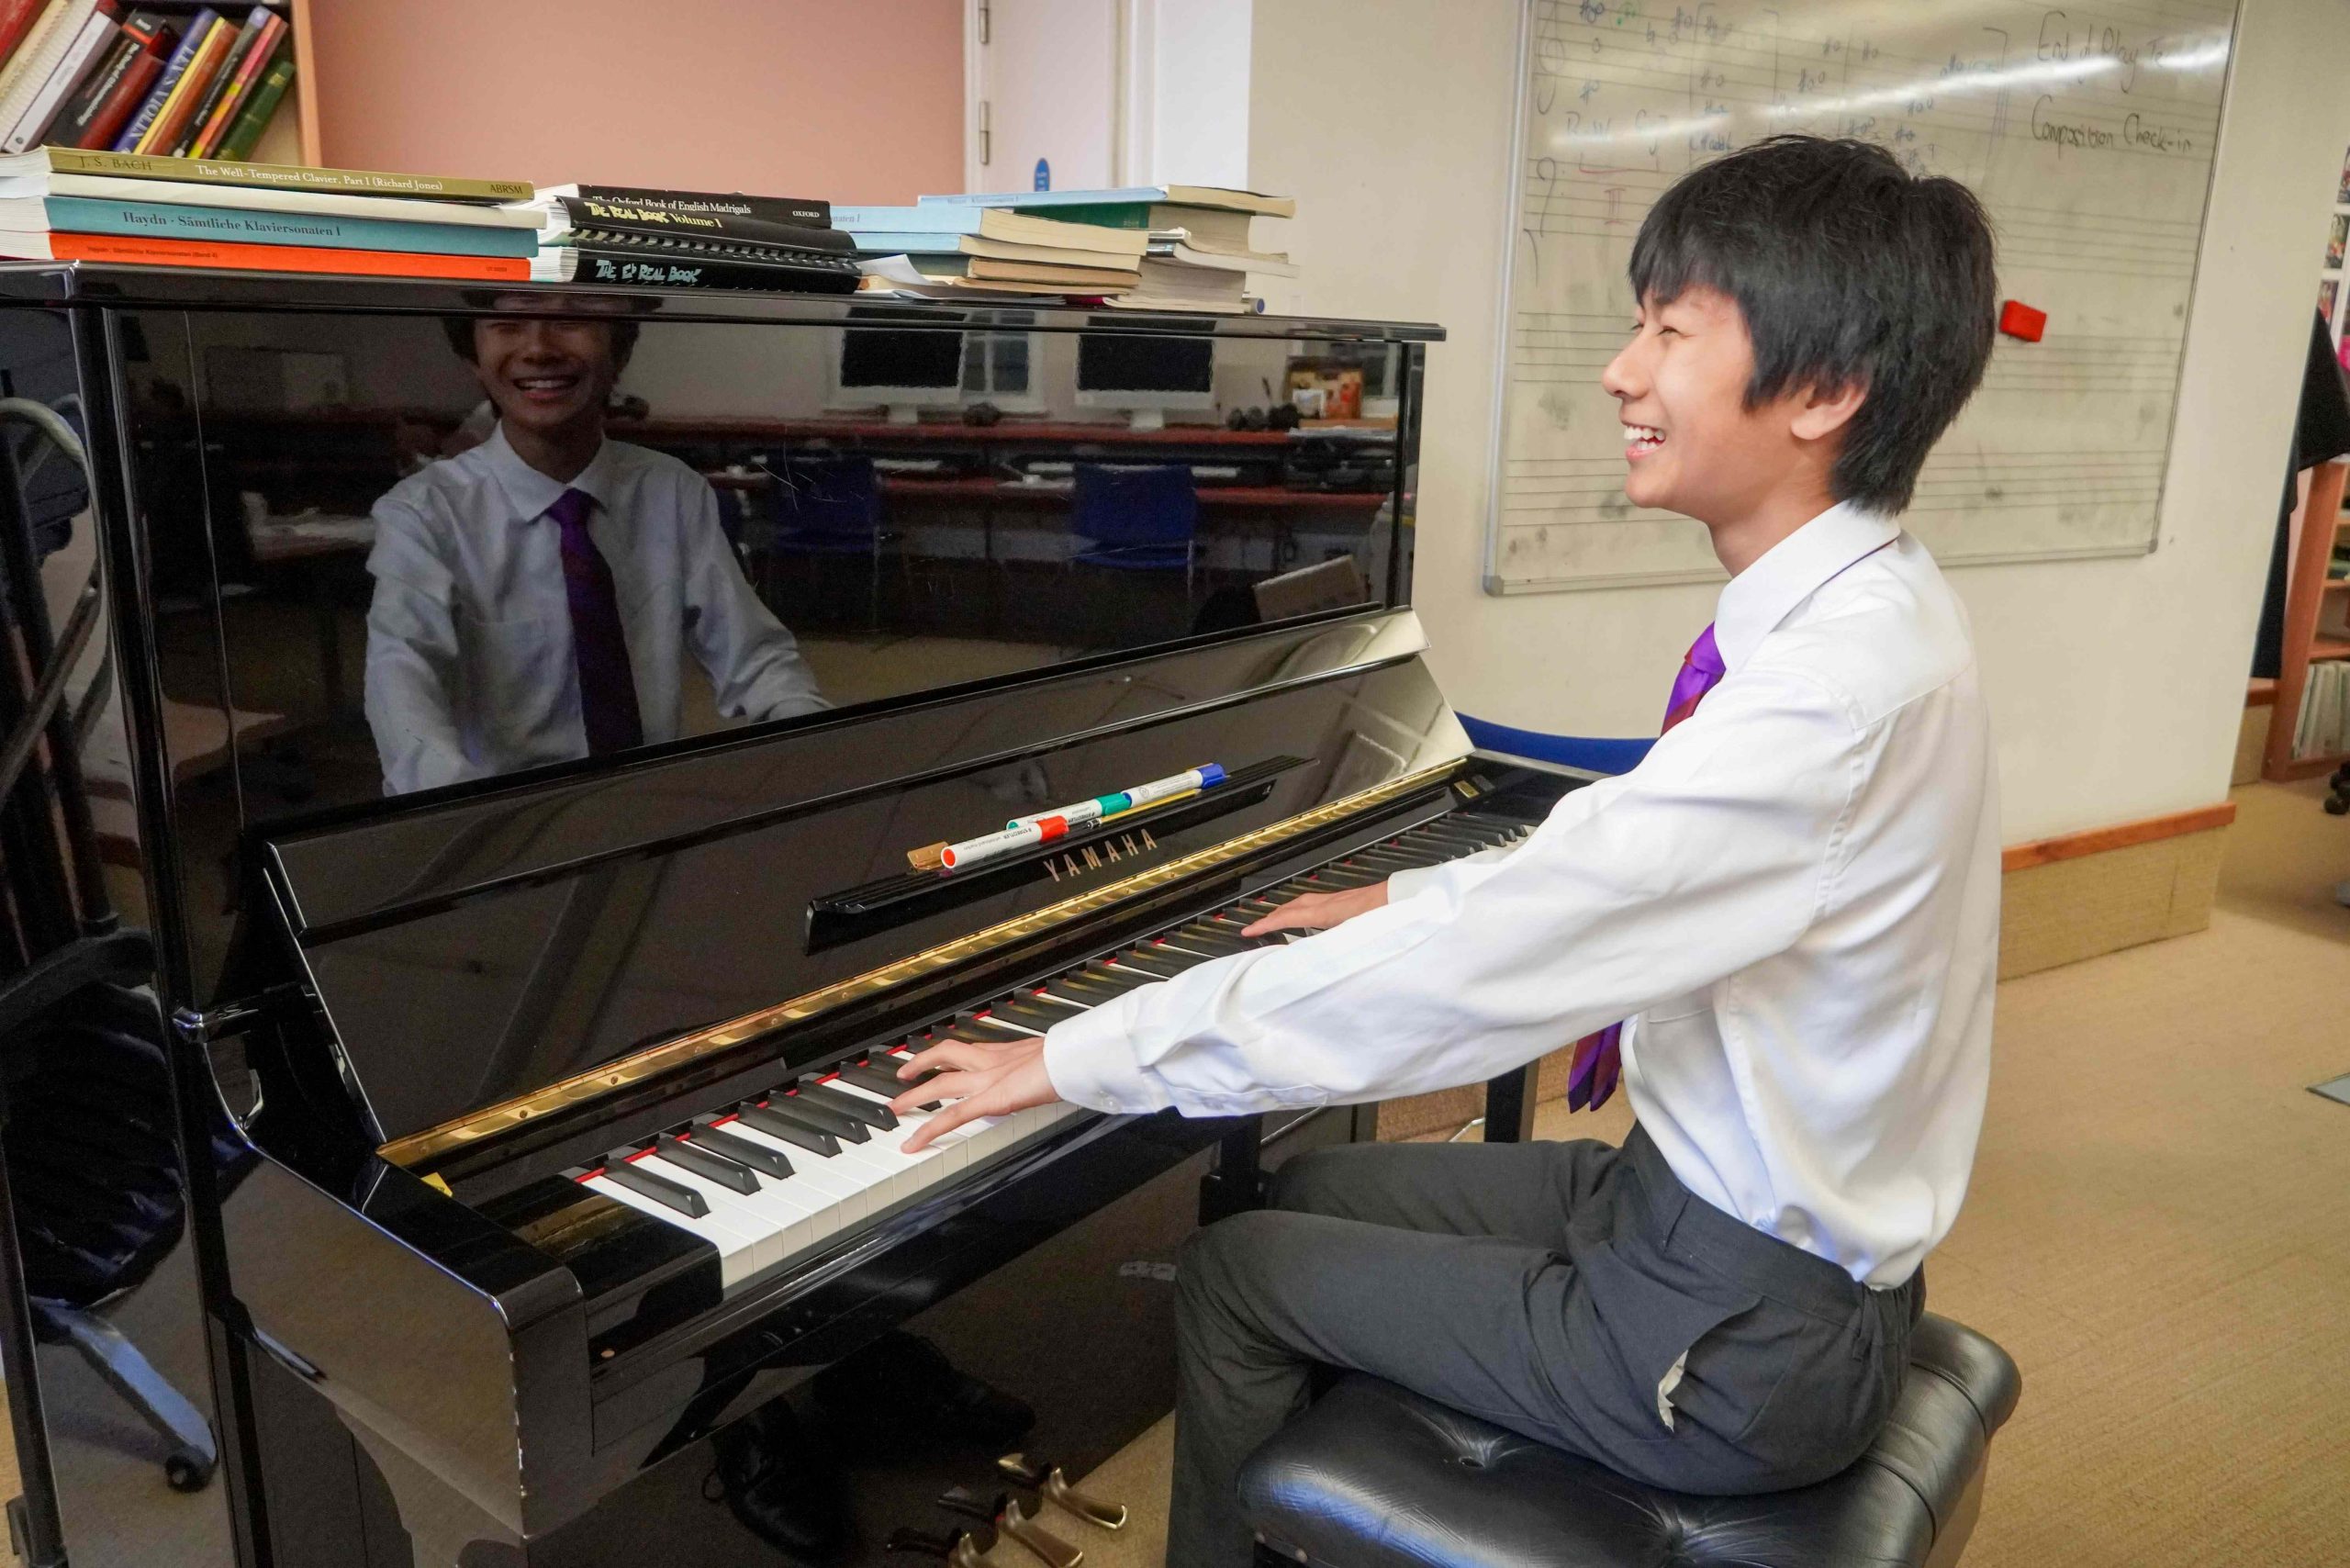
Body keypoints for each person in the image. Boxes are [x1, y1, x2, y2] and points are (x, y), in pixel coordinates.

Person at [890, 135, 2002, 1565]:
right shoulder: (1869, 614)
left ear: (1828, 391)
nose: (1621, 369)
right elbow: (1603, 862)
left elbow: (1488, 969)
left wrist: (1072, 1054)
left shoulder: (1825, 702)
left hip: (1733, 1333)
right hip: (1703, 1211)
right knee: (1300, 1186)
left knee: (1235, 1271)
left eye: (1670, 331)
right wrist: (1400, 887)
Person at [363, 297, 828, 793]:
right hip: (503, 814)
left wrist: (811, 733)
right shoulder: (424, 512)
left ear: (619, 351)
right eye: (507, 325)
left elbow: (753, 656)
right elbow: (403, 679)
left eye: (571, 320)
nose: (538, 349)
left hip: (647, 799)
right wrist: (459, 807)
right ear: (474, 357)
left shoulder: (670, 490)